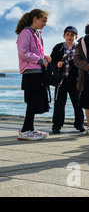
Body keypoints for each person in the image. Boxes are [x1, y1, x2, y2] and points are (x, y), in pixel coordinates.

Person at [15, 9, 51, 141]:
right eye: (44, 21)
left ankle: (29, 129)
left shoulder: (36, 34)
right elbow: (23, 52)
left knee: (35, 101)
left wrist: (44, 56)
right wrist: (40, 60)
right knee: (31, 101)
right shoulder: (25, 33)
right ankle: (25, 131)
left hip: (37, 71)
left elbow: (33, 51)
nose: (45, 23)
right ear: (35, 19)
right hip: (30, 72)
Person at [50, 26, 85, 134]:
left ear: (76, 37)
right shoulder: (59, 47)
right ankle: (57, 126)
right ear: (64, 36)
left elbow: (84, 62)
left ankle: (79, 124)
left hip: (75, 80)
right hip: (61, 80)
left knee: (78, 104)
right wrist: (57, 64)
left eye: (72, 35)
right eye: (68, 34)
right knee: (59, 105)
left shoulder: (80, 48)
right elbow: (52, 62)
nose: (70, 37)